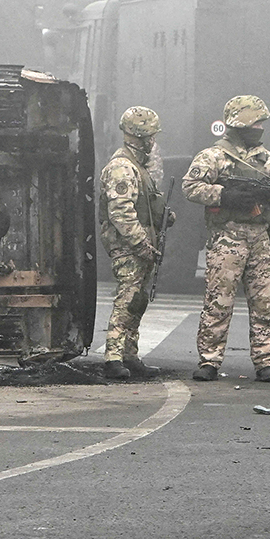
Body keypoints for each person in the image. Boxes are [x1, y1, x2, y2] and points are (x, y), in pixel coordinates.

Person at [181, 95, 270, 383]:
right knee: (219, 301)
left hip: (258, 237)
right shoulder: (213, 156)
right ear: (240, 123)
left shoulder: (265, 159)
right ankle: (209, 360)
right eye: (255, 121)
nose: (260, 127)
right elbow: (190, 187)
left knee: (264, 302)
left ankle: (267, 361)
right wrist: (224, 195)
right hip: (227, 236)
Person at [98, 106, 167, 380]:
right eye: (150, 136)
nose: (153, 142)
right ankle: (113, 357)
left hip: (141, 242)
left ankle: (129, 353)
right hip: (128, 244)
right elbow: (121, 213)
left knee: (137, 299)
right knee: (127, 297)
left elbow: (141, 205)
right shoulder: (122, 168)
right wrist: (141, 244)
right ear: (141, 137)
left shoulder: (139, 168)